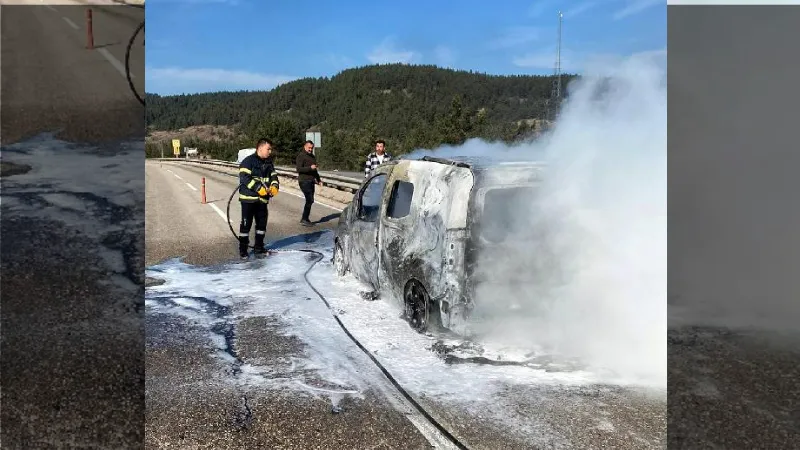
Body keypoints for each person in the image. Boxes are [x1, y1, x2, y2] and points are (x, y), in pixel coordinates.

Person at [238, 138, 279, 259]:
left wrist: (275, 186)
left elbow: (273, 176)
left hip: (262, 200)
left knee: (261, 225)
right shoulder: (248, 161)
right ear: (260, 148)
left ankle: (259, 248)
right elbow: (244, 177)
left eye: (270, 149)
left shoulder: (268, 162)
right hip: (248, 199)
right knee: (246, 226)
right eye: (268, 149)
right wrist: (257, 188)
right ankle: (243, 251)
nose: (270, 151)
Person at [295, 140, 322, 227]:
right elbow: (299, 169)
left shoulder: (313, 157)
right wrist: (310, 168)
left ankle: (306, 218)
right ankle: (304, 219)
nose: (310, 149)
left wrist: (319, 179)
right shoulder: (301, 156)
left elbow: (315, 170)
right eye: (309, 148)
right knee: (309, 199)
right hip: (303, 181)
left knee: (310, 200)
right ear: (305, 146)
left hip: (311, 181)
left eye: (311, 148)